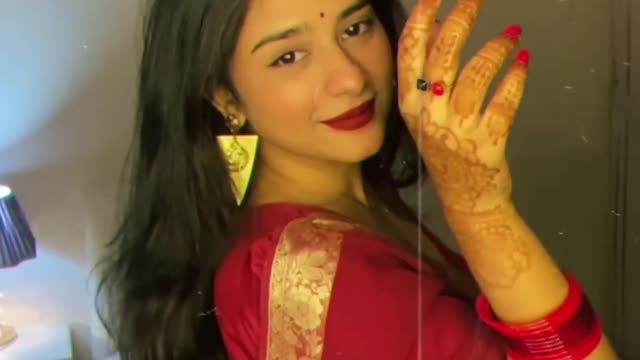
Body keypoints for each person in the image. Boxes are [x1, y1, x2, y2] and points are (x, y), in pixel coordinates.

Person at [96, 0, 619, 358]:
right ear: (224, 97)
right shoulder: (330, 275)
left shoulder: (323, 211)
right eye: (288, 56)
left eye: (354, 28)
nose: (350, 77)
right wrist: (479, 210)